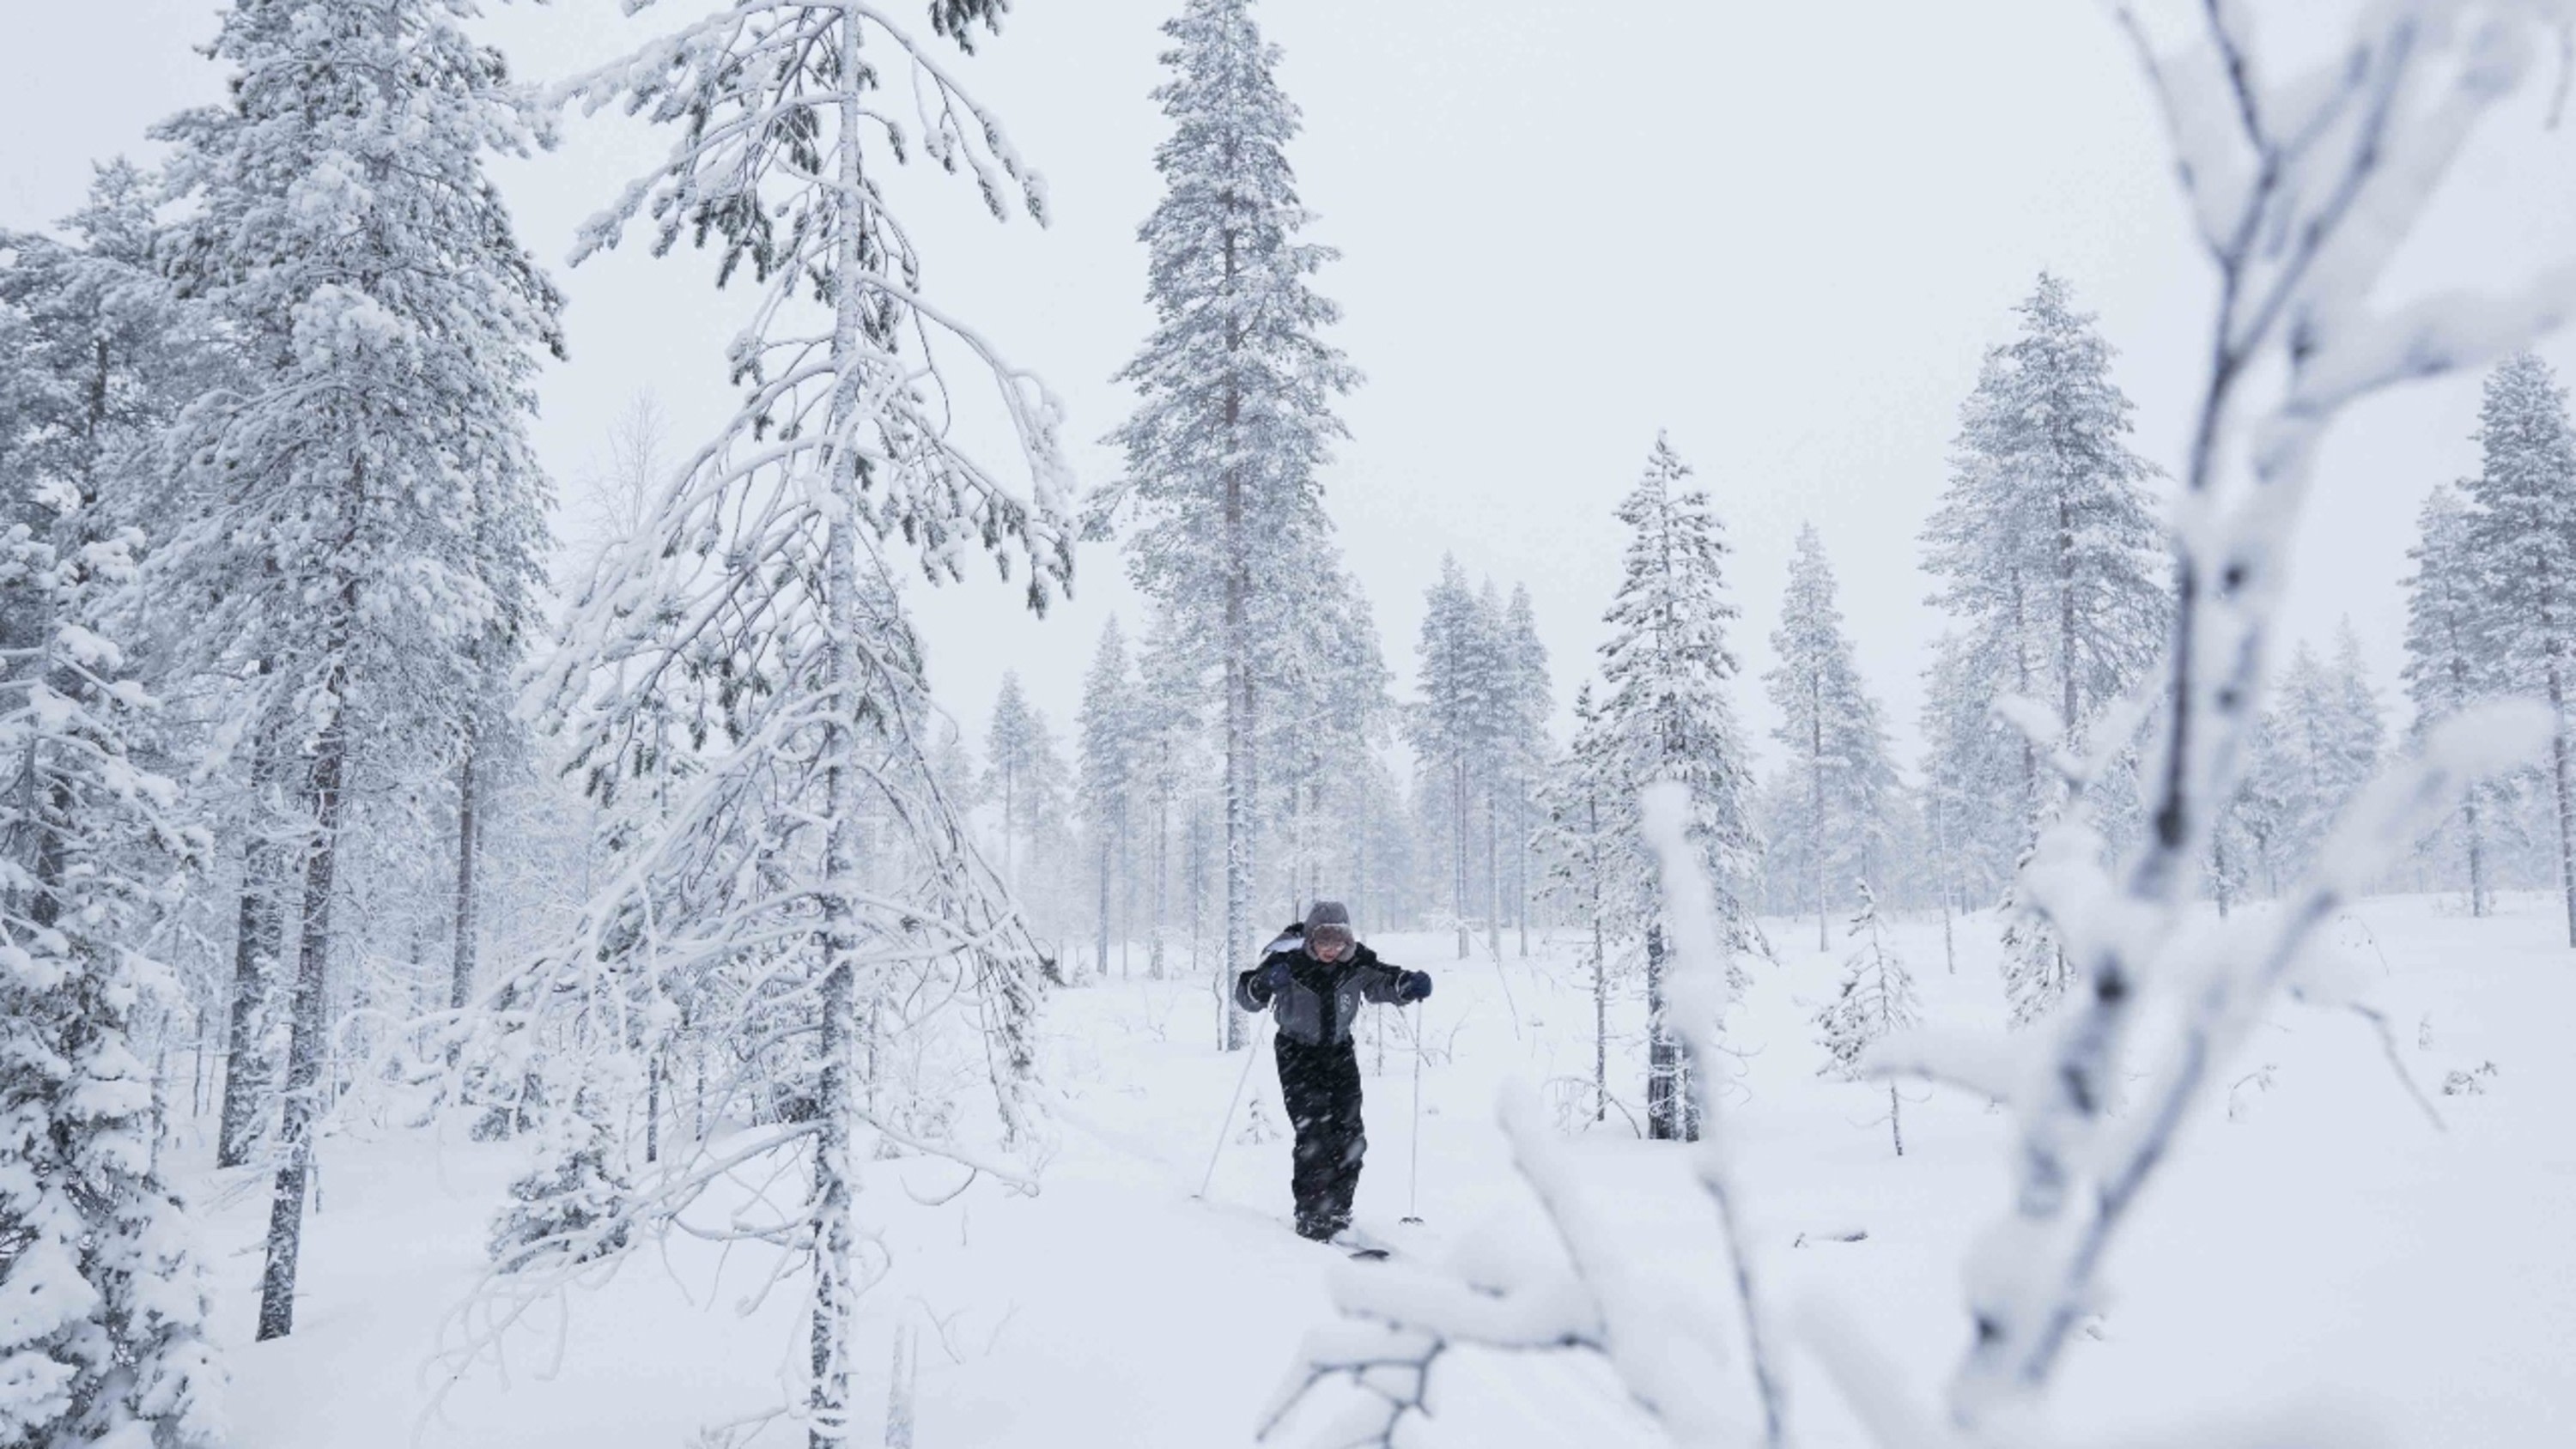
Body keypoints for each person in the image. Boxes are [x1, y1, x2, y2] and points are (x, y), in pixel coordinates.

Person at [1233, 900, 1431, 1241]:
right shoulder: (1288, 958)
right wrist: (1265, 982)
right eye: (1324, 940)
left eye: (1339, 942)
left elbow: (1383, 981)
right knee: (1314, 1135)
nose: (1331, 949)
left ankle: (1338, 1209)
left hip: (1339, 1052)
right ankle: (1312, 1215)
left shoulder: (1356, 962)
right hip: (1297, 1052)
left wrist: (1408, 985)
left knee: (1350, 1135)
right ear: (1311, 937)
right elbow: (1247, 997)